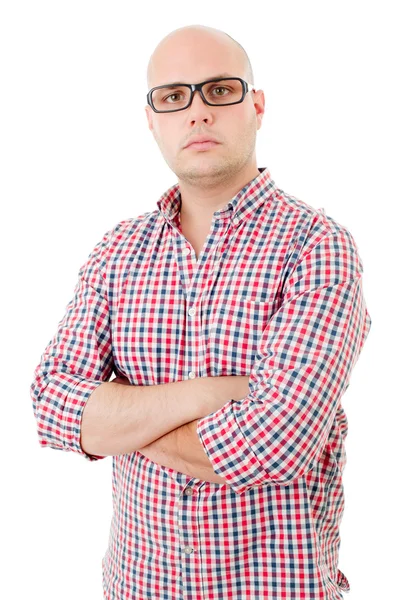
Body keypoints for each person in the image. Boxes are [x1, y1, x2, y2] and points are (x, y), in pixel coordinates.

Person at [30, 23, 372, 600]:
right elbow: (51, 406)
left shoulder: (318, 247)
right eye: (173, 97)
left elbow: (276, 443)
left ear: (256, 105)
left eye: (218, 90)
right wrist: (207, 394)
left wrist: (120, 419)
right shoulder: (116, 251)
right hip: (136, 588)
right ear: (152, 120)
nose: (197, 112)